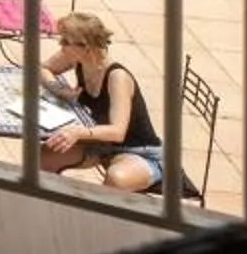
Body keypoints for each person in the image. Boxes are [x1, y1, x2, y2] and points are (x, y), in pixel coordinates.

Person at [41, 13, 169, 194]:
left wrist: (78, 132)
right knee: (47, 153)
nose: (61, 45)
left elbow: (117, 132)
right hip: (101, 144)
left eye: (66, 42)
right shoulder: (79, 58)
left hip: (138, 151)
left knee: (116, 178)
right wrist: (60, 90)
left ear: (86, 47)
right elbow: (44, 68)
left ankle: (95, 219)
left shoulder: (117, 78)